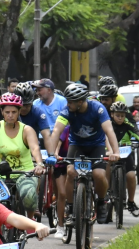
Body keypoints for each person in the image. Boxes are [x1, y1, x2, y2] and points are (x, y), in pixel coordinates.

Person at [47, 83, 121, 224]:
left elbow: (109, 131)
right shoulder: (67, 111)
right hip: (77, 145)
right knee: (71, 172)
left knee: (99, 174)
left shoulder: (98, 109)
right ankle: (70, 207)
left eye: (70, 102)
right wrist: (52, 153)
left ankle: (101, 201)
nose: (67, 104)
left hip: (96, 145)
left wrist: (115, 152)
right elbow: (56, 131)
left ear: (80, 102)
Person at [0, 93, 46, 217]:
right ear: (2, 112)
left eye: (13, 112)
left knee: (29, 196)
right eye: (7, 112)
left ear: (19, 112)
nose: (10, 115)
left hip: (24, 172)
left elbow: (35, 148)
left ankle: (30, 220)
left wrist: (39, 164)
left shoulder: (27, 130)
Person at [108, 102, 139, 217]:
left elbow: (137, 132)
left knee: (131, 176)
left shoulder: (127, 124)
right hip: (111, 154)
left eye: (122, 116)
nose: (120, 118)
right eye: (117, 115)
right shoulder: (108, 125)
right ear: (112, 114)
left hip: (126, 154)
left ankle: (131, 201)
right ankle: (107, 193)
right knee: (106, 169)